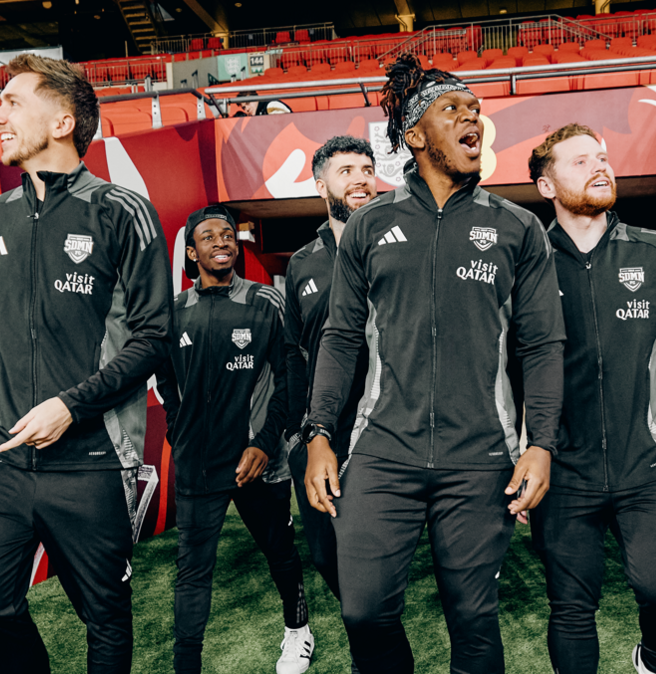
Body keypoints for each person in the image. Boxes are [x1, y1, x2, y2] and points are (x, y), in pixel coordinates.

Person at [302, 53, 565, 674]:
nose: (473, 119)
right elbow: (340, 337)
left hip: (479, 455)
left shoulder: (518, 227)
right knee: (364, 612)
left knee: (473, 621)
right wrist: (319, 433)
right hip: (382, 451)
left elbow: (544, 345)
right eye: (454, 110)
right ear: (415, 136)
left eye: (476, 111)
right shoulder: (370, 225)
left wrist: (541, 442)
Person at [0, 54, 173, 673]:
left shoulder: (121, 211)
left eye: (13, 103)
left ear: (64, 120)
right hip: (1, 454)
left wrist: (71, 405)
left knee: (104, 618)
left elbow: (155, 337)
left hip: (92, 458)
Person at [526, 124, 656, 674]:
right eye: (580, 162)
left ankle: (653, 661)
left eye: (603, 157)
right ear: (546, 186)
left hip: (647, 460)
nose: (600, 166)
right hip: (561, 468)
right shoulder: (526, 262)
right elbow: (502, 366)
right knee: (570, 607)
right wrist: (517, 452)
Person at [157, 205, 313, 674]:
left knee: (280, 554)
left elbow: (291, 376)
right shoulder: (173, 312)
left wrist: (266, 443)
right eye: (209, 236)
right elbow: (166, 381)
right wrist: (177, 430)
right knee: (192, 571)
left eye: (229, 235)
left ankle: (298, 631)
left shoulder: (265, 301)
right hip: (198, 465)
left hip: (256, 462)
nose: (222, 242)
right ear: (192, 251)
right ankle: (188, 664)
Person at [283, 136, 375, 620]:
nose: (360, 178)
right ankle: (365, 619)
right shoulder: (302, 262)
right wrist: (302, 431)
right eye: (346, 171)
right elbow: (292, 352)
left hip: (383, 425)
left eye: (366, 168)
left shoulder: (396, 247)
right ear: (321, 185)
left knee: (377, 545)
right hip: (321, 432)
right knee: (324, 553)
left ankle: (373, 632)